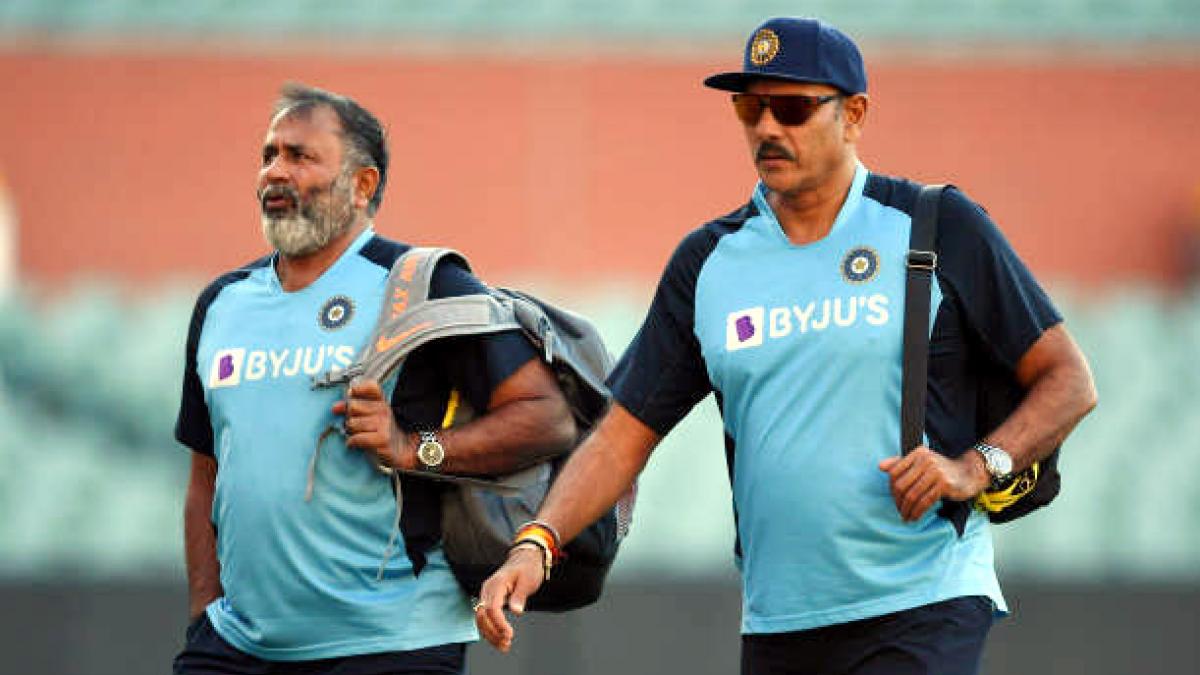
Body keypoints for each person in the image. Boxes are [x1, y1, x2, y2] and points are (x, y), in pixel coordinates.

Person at [477, 17, 1097, 675]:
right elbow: (621, 436)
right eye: (751, 108)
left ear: (853, 115)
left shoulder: (935, 225)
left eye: (794, 108)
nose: (768, 127)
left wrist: (974, 467)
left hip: (923, 598)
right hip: (779, 619)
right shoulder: (708, 262)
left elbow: (1068, 380)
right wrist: (536, 542)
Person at [172, 83, 577, 675]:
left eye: (300, 156)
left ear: (362, 185)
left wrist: (413, 448)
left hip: (390, 643)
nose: (275, 172)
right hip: (236, 646)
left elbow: (546, 417)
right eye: (268, 155)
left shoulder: (421, 284)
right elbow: (205, 479)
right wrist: (204, 618)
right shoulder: (222, 304)